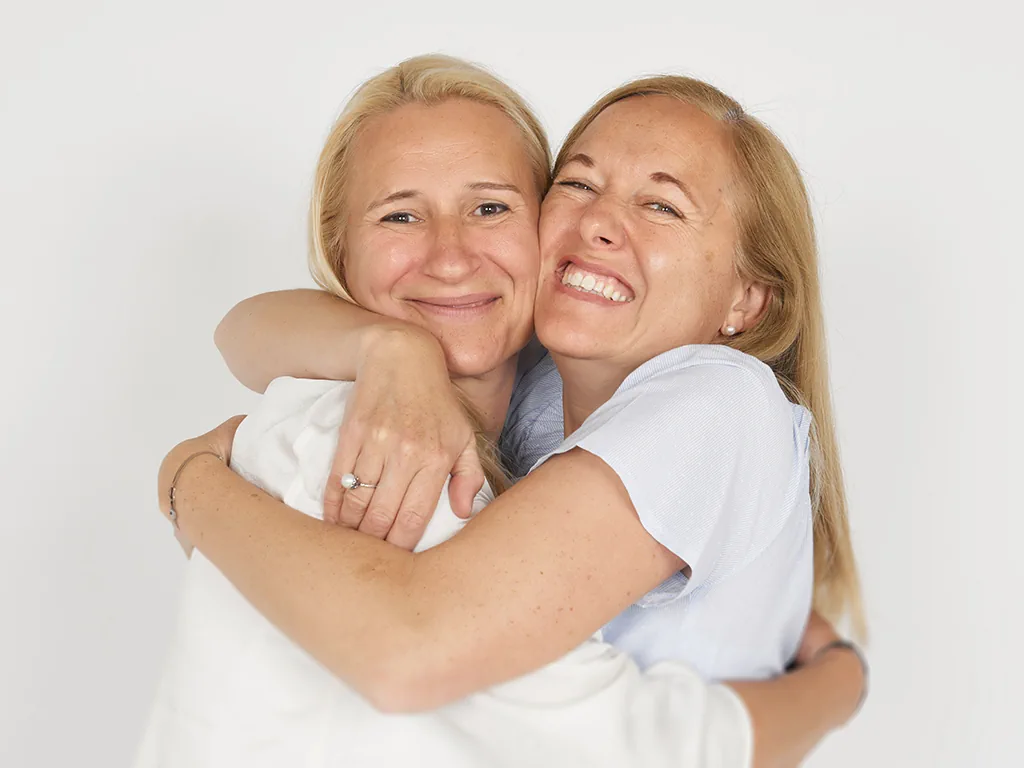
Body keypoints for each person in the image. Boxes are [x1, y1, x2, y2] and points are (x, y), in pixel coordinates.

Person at [151, 56, 866, 766]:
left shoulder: (716, 397)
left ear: (750, 298)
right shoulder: (508, 402)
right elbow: (241, 333)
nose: (599, 225)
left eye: (661, 205)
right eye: (580, 184)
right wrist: (389, 347)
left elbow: (413, 650)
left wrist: (192, 483)